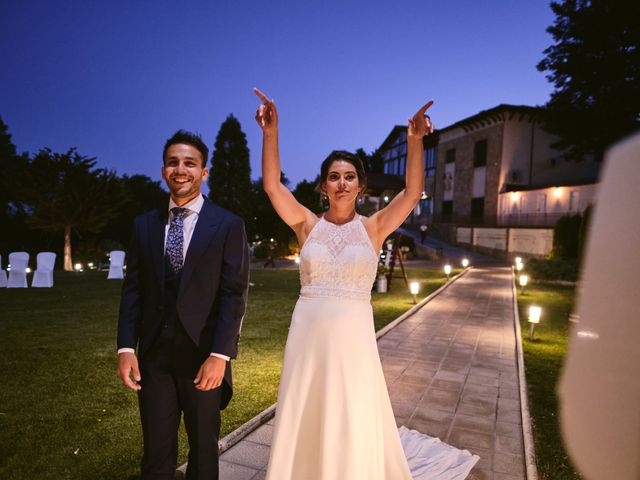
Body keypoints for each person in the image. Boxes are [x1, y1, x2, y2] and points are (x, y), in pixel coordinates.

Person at [254, 88, 479, 479]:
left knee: (351, 406)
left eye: (350, 176)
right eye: (334, 177)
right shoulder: (307, 224)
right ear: (324, 186)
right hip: (308, 332)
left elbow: (412, 193)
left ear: (361, 185)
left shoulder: (374, 228)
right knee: (307, 403)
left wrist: (414, 142)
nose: (342, 183)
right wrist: (270, 133)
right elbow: (273, 187)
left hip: (354, 335)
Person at [116, 130, 249, 480]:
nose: (181, 169)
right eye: (173, 162)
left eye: (190, 163)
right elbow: (132, 291)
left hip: (203, 357)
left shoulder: (228, 225)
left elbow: (233, 295)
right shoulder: (143, 225)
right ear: (163, 171)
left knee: (204, 452)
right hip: (154, 359)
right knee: (156, 453)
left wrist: (220, 356)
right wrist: (126, 347)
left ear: (203, 172)